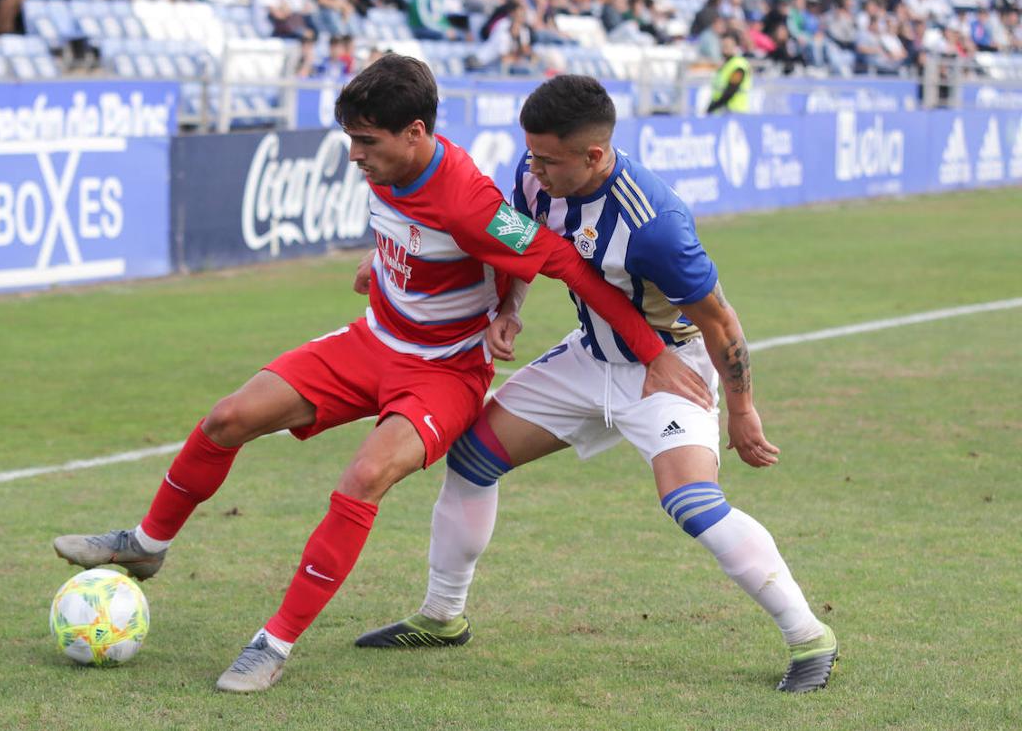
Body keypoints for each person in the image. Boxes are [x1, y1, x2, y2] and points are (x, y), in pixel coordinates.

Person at [52, 55, 707, 693]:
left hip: (444, 374)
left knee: (364, 477)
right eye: (351, 138)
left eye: (366, 141)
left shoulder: (471, 204)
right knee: (229, 417)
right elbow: (414, 229)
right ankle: (146, 544)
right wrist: (383, 259)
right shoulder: (388, 167)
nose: (354, 155)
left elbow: (561, 262)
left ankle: (273, 644)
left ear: (415, 133)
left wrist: (653, 354)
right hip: (372, 342)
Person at [355, 75, 839, 695]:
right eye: (530, 154)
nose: (533, 169)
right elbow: (524, 246)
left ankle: (809, 637)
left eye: (547, 159)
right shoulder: (537, 179)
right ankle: (442, 616)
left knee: (692, 504)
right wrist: (510, 309)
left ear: (593, 155)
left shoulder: (655, 225)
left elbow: (721, 321)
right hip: (589, 356)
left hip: (670, 369)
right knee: (472, 457)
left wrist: (742, 411)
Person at [706, 33, 751, 114]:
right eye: (723, 45)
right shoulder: (726, 64)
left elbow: (731, 90)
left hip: (734, 111)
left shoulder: (738, 65)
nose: (725, 48)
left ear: (736, 46)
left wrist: (713, 107)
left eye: (728, 46)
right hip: (722, 111)